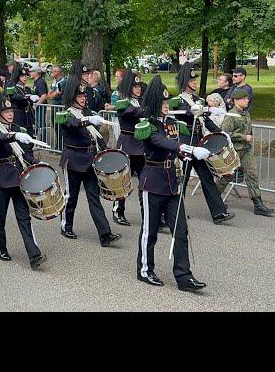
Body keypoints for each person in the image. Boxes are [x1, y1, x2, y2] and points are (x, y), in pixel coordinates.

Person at [133, 75, 208, 291]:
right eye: (163, 104)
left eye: (168, 104)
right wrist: (188, 150)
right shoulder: (147, 125)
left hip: (172, 183)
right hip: (153, 182)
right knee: (150, 231)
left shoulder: (172, 124)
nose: (167, 108)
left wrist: (186, 152)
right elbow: (160, 142)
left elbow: (176, 143)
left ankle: (184, 277)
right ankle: (145, 270)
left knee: (180, 231)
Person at [0, 88, 47, 268]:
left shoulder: (19, 129)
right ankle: (0, 248)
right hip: (1, 176)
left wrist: (39, 164)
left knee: (24, 216)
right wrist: (14, 136)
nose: (10, 114)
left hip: (18, 175)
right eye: (5, 111)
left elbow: (26, 154)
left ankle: (34, 254)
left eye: (11, 111)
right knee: (0, 216)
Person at [57, 74, 122, 247]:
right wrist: (87, 120)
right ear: (72, 98)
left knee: (94, 197)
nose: (84, 99)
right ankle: (66, 225)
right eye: (80, 96)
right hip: (73, 160)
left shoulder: (87, 112)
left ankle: (105, 234)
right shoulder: (65, 113)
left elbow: (97, 137)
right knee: (71, 196)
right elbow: (71, 123)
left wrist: (106, 151)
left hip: (89, 160)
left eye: (85, 96)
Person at [175, 63, 235, 224]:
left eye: (195, 81)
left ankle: (218, 212)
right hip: (187, 145)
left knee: (207, 178)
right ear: (185, 82)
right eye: (192, 81)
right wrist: (199, 109)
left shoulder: (197, 100)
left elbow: (205, 120)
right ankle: (172, 213)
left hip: (199, 144)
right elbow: (186, 114)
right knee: (183, 179)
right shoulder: (178, 100)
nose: (194, 83)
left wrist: (219, 132)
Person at [217, 88, 275, 216]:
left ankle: (258, 205)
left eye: (247, 98)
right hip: (234, 151)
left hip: (246, 150)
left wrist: (248, 141)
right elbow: (225, 133)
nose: (247, 100)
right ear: (237, 100)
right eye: (245, 99)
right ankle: (215, 199)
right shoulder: (231, 115)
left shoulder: (246, 114)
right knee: (227, 176)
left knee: (252, 175)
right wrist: (243, 137)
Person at [112, 69, 146, 226]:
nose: (138, 89)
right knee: (123, 181)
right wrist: (148, 110)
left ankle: (148, 212)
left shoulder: (139, 101)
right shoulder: (123, 102)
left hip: (141, 145)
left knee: (146, 181)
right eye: (135, 86)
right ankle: (118, 210)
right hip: (128, 144)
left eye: (139, 86)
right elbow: (131, 112)